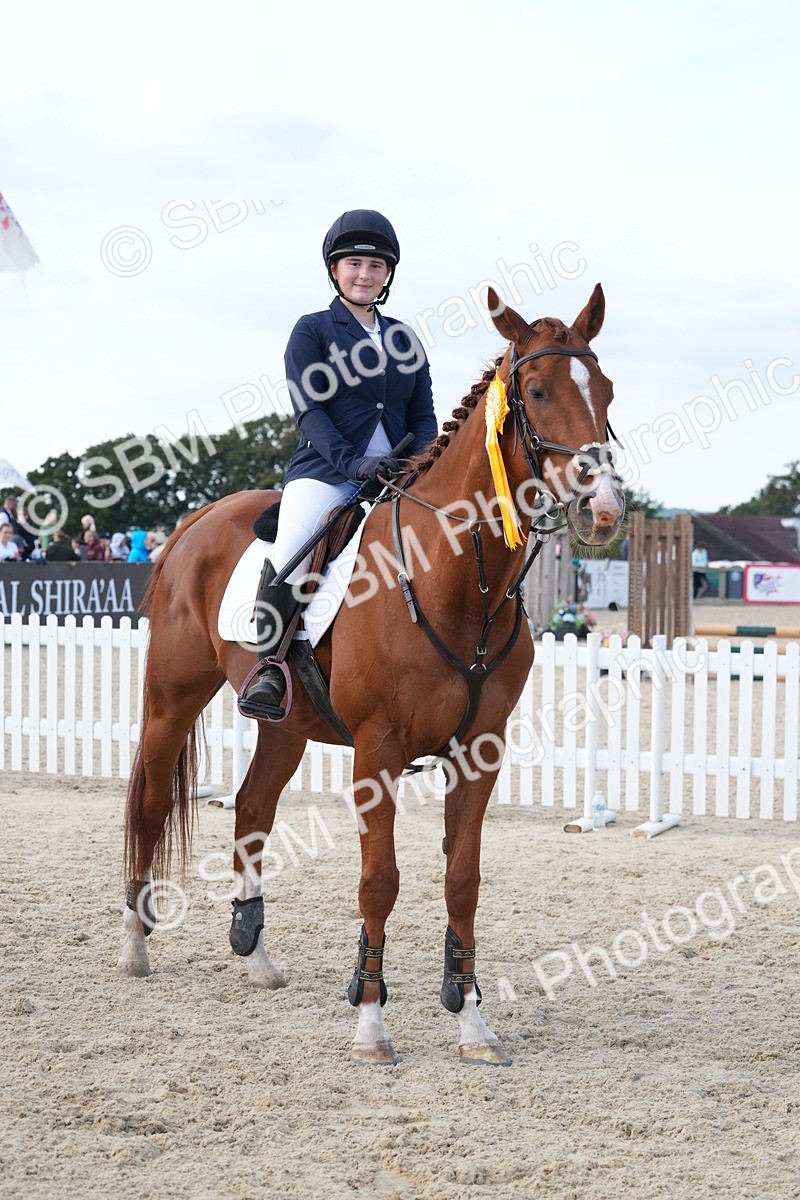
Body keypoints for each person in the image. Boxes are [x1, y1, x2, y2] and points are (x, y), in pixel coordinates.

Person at [240, 209, 438, 719]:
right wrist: (354, 465)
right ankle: (269, 667)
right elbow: (310, 412)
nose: (365, 274)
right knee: (293, 545)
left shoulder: (405, 339)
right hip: (327, 472)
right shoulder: (313, 330)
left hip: (398, 477)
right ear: (334, 269)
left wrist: (425, 465)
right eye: (354, 264)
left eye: (376, 265)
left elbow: (423, 415)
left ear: (388, 274)